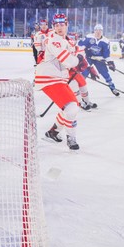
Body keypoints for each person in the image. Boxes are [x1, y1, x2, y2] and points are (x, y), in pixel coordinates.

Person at [34, 14, 91, 151]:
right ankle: (71, 138)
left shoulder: (65, 40)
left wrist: (81, 59)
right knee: (72, 108)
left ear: (67, 25)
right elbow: (69, 61)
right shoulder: (54, 39)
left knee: (71, 107)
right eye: (56, 25)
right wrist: (78, 60)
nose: (59, 27)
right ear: (53, 27)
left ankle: (53, 132)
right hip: (49, 78)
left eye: (62, 24)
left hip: (59, 78)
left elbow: (76, 53)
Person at [80, 23, 118, 94]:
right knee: (84, 73)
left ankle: (112, 87)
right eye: (96, 30)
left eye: (100, 31)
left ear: (102, 31)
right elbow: (80, 46)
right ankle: (79, 89)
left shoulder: (105, 41)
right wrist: (81, 54)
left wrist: (110, 62)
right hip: (88, 58)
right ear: (94, 31)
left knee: (105, 73)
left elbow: (106, 54)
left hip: (99, 60)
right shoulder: (88, 37)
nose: (98, 32)